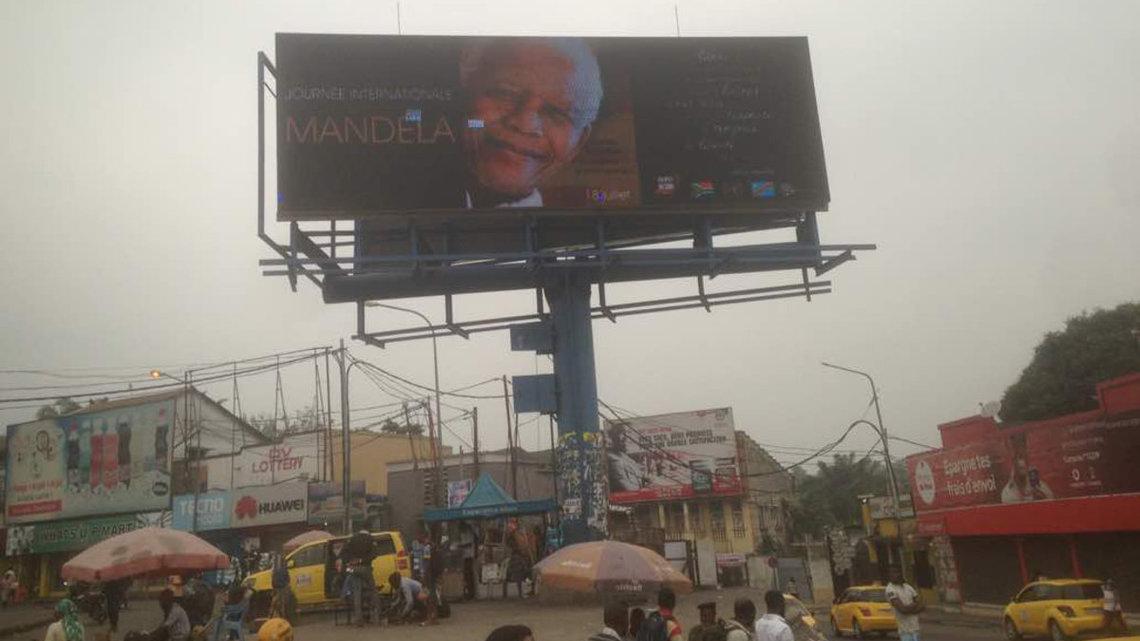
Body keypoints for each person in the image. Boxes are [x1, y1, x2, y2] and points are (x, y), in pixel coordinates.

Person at [459, 37, 603, 209]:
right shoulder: (475, 123)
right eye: (506, 94)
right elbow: (474, 123)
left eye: (555, 113)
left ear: (577, 144)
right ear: (464, 94)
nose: (525, 125)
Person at [1000, 433, 1053, 503]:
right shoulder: (1007, 494)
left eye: (1021, 441)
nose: (1018, 447)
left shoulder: (1043, 489)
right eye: (1014, 443)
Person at [341, 530, 377, 625]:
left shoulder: (352, 539)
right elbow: (374, 554)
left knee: (356, 593)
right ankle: (375, 617)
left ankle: (358, 619)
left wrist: (350, 562)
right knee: (373, 591)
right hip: (365, 568)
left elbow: (343, 553)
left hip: (353, 568)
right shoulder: (370, 538)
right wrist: (361, 560)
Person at [885, 565, 924, 641]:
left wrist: (909, 609)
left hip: (915, 627)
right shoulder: (890, 589)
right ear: (889, 575)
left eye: (896, 572)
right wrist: (915, 605)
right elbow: (902, 610)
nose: (895, 575)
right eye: (892, 573)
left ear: (901, 573)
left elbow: (922, 605)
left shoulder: (908, 587)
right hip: (905, 631)